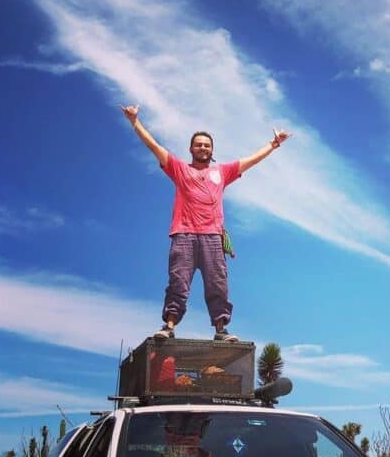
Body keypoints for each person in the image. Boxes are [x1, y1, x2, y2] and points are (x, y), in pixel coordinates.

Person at [121, 104, 290, 341]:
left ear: (212, 150)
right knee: (178, 283)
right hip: (184, 235)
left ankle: (221, 330)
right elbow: (153, 146)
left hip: (213, 237)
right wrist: (134, 121)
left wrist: (273, 145)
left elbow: (251, 160)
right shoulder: (179, 169)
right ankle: (168, 326)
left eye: (207, 145)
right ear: (191, 148)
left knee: (218, 285)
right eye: (198, 144)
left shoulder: (223, 171)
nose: (203, 148)